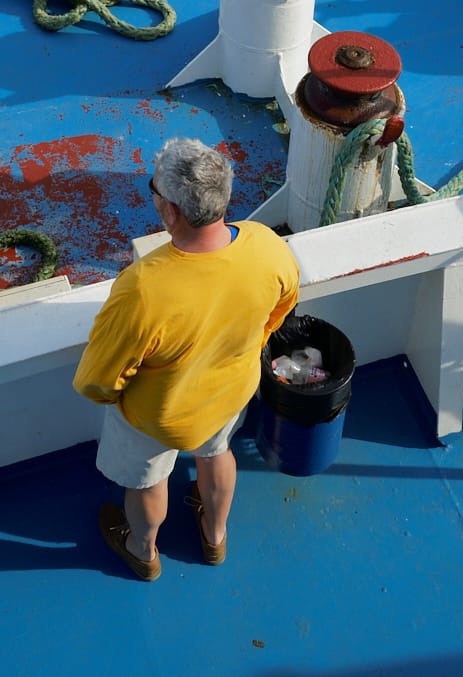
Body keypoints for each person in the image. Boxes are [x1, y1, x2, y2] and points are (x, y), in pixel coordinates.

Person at [73, 138, 300, 580]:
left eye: (154, 191)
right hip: (231, 392)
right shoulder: (266, 245)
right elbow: (282, 306)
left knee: (149, 481)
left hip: (159, 417)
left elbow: (95, 382)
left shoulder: (143, 288)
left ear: (171, 211)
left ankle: (142, 549)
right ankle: (215, 537)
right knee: (217, 454)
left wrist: (120, 396)